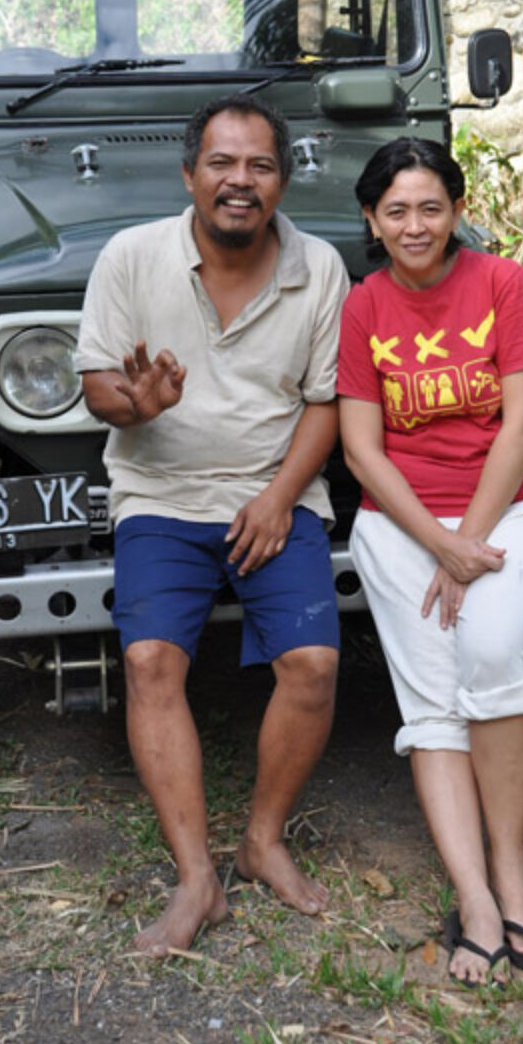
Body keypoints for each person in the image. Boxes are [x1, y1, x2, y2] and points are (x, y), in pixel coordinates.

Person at [75, 95, 348, 957]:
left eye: (259, 166)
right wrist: (136, 404)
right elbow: (97, 389)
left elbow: (326, 401)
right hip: (158, 493)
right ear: (189, 174)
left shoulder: (321, 268)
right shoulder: (131, 256)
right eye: (222, 165)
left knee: (313, 665)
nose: (240, 182)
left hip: (276, 496)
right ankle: (198, 877)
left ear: (281, 179)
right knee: (152, 660)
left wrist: (278, 498)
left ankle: (262, 842)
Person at [336, 137, 523, 987]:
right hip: (400, 524)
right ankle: (475, 898)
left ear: (458, 212)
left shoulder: (503, 285)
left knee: (493, 652)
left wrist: (466, 547)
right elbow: (362, 450)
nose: (415, 224)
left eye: (431, 206)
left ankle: (513, 874)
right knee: (431, 695)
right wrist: (436, 545)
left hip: (507, 507)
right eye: (396, 210)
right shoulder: (363, 305)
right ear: (371, 219)